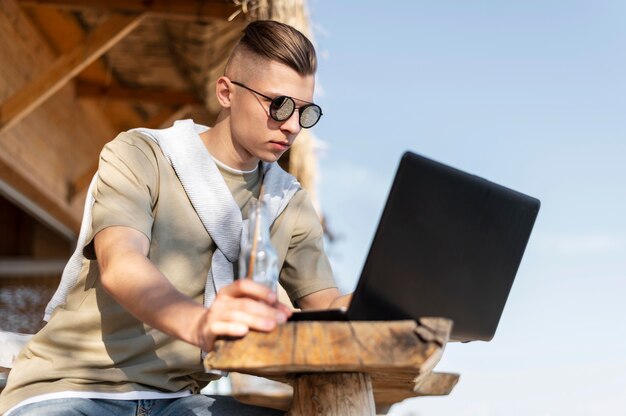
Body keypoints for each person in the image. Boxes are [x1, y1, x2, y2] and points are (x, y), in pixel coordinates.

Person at [0, 20, 349, 416]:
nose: (290, 125)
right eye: (279, 105)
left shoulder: (289, 202)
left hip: (179, 400)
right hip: (75, 386)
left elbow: (327, 309)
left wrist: (376, 304)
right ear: (226, 92)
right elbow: (121, 263)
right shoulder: (141, 154)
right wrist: (200, 325)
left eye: (305, 112)